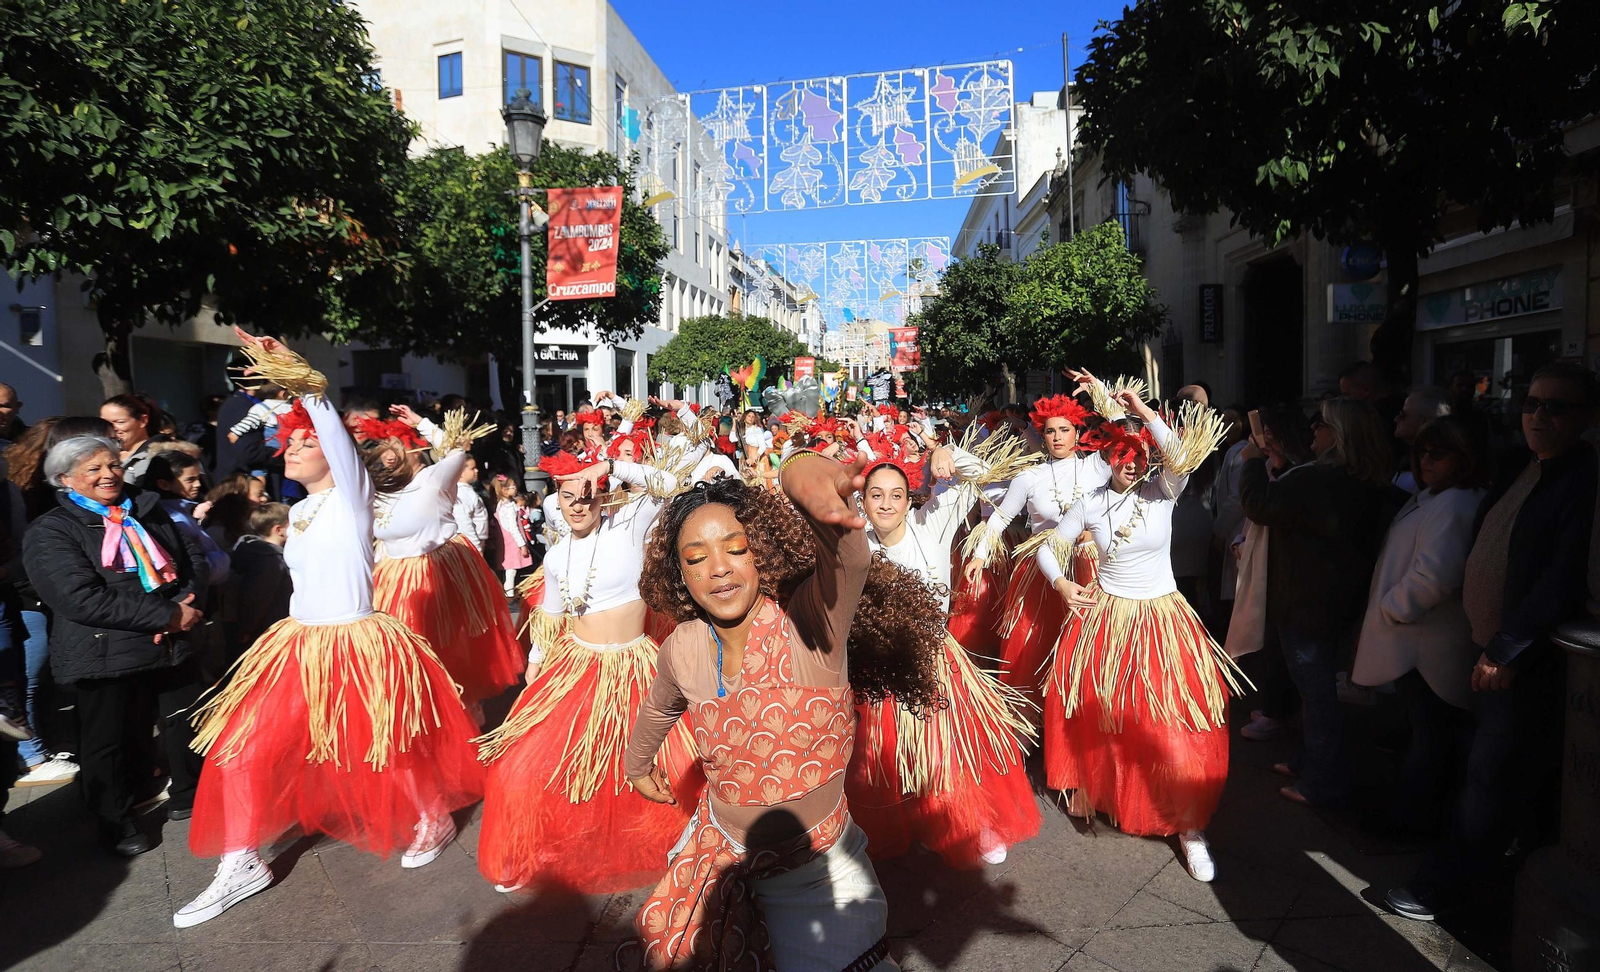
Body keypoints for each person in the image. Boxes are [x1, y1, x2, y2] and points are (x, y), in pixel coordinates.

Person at [177, 332, 483, 927]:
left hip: (356, 640)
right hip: (298, 642)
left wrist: (307, 388)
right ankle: (240, 862)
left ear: (333, 452)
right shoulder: (298, 510)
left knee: (391, 745)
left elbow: (339, 445)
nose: (289, 448)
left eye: (303, 442)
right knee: (241, 746)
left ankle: (434, 817)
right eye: (287, 441)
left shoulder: (353, 498)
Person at [626, 462, 944, 971]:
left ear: (762, 552)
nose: (719, 568)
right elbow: (661, 705)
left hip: (821, 882)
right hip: (718, 861)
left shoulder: (810, 627)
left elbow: (849, 564)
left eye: (735, 548)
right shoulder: (682, 646)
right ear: (680, 577)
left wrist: (803, 479)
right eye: (696, 558)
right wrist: (637, 764)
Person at [1387, 363, 1599, 922]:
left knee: (1491, 779)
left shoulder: (1582, 480)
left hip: (1524, 660)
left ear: (1588, 418)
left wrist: (1508, 647)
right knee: (1491, 774)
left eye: (1557, 407)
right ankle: (1490, 881)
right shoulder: (1523, 468)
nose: (1539, 416)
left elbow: (1563, 574)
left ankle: (1444, 891)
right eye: (1532, 404)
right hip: (1485, 649)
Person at [474, 445, 700, 895]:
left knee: (670, 764)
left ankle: (679, 849)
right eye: (567, 494)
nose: (578, 504)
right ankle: (538, 850)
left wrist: (611, 466)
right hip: (575, 667)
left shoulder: (629, 524)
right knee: (521, 767)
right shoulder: (557, 557)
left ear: (602, 492)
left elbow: (674, 485)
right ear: (555, 498)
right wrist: (535, 668)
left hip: (635, 666)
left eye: (587, 493)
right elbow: (551, 617)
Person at [1038, 388, 1238, 882]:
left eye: (1137, 455)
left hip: (1163, 620)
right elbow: (1048, 549)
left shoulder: (1163, 493)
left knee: (1173, 721)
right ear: (1107, 458)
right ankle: (1109, 791)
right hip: (1109, 621)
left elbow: (1180, 455)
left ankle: (1189, 828)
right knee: (1109, 717)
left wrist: (1144, 413)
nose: (1130, 464)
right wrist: (1063, 584)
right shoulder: (1089, 505)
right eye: (1121, 455)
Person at [849, 440, 1039, 868]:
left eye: (896, 495)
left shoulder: (931, 520)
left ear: (909, 498)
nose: (886, 504)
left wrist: (951, 452)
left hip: (935, 663)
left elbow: (985, 476)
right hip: (879, 668)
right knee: (887, 759)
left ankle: (973, 821)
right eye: (875, 495)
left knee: (947, 750)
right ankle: (907, 822)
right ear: (862, 502)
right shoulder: (855, 542)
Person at [22, 434, 210, 855]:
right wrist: (163, 615)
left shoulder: (144, 508)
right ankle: (116, 820)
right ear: (65, 479)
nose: (108, 475)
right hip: (103, 649)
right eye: (94, 469)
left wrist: (186, 603)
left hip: (170, 640)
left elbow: (190, 557)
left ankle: (190, 795)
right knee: (109, 741)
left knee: (187, 721)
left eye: (113, 466)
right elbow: (77, 598)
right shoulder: (52, 530)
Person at [1239, 396, 1399, 808]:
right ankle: (1307, 760)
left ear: (1341, 435)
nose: (1314, 430)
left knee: (1317, 692)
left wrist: (1254, 461)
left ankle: (1322, 780)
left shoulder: (1320, 479)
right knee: (1314, 688)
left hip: (1307, 602)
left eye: (1321, 424)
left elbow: (1260, 505)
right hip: (1333, 600)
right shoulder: (1362, 480)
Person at [1351, 416, 1487, 834]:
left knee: (1430, 739)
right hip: (1415, 642)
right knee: (1424, 734)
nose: (1426, 460)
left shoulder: (1454, 502)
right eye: (1422, 452)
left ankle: (1413, 823)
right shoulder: (1434, 496)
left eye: (1438, 453)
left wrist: (1394, 608)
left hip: (1425, 646)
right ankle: (1413, 817)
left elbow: (1437, 577)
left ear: (1462, 458)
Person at [364, 405, 524, 711]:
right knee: (399, 655)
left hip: (434, 572)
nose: (389, 453)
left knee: (443, 650)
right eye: (384, 446)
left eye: (397, 444)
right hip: (392, 579)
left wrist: (421, 422)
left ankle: (459, 712)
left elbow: (455, 451)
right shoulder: (376, 490)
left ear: (415, 450)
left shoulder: (433, 478)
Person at [961, 392, 1107, 710]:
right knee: (1038, 643)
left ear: (1078, 433)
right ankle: (1035, 715)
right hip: (1041, 569)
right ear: (1042, 435)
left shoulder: (1098, 468)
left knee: (1088, 644)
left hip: (1090, 566)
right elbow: (999, 519)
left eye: (1064, 430)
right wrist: (980, 554)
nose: (1057, 437)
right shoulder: (1030, 476)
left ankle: (1083, 713)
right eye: (1051, 431)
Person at [1392, 387, 1452, 493]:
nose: (1396, 419)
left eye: (1403, 415)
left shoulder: (1436, 471)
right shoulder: (1406, 459)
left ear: (1424, 421)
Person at [100, 394, 160, 487]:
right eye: (105, 423)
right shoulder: (100, 453)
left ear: (143, 421)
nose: (112, 428)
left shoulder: (159, 456)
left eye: (120, 422)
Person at [490, 474, 533, 596]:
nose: (516, 488)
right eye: (512, 487)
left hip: (504, 541)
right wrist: (522, 544)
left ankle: (508, 591)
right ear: (504, 490)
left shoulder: (499, 505)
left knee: (509, 568)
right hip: (511, 542)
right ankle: (509, 594)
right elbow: (513, 528)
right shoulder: (509, 507)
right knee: (511, 569)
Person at [225, 382, 293, 450]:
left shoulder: (261, 408)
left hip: (274, 448)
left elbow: (250, 421)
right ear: (282, 393)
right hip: (291, 445)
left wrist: (235, 432)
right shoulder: (291, 407)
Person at [453, 458, 489, 551]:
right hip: (471, 544)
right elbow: (464, 522)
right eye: (472, 468)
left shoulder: (467, 491)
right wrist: (476, 547)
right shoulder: (462, 494)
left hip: (478, 540)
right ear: (460, 473)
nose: (476, 470)